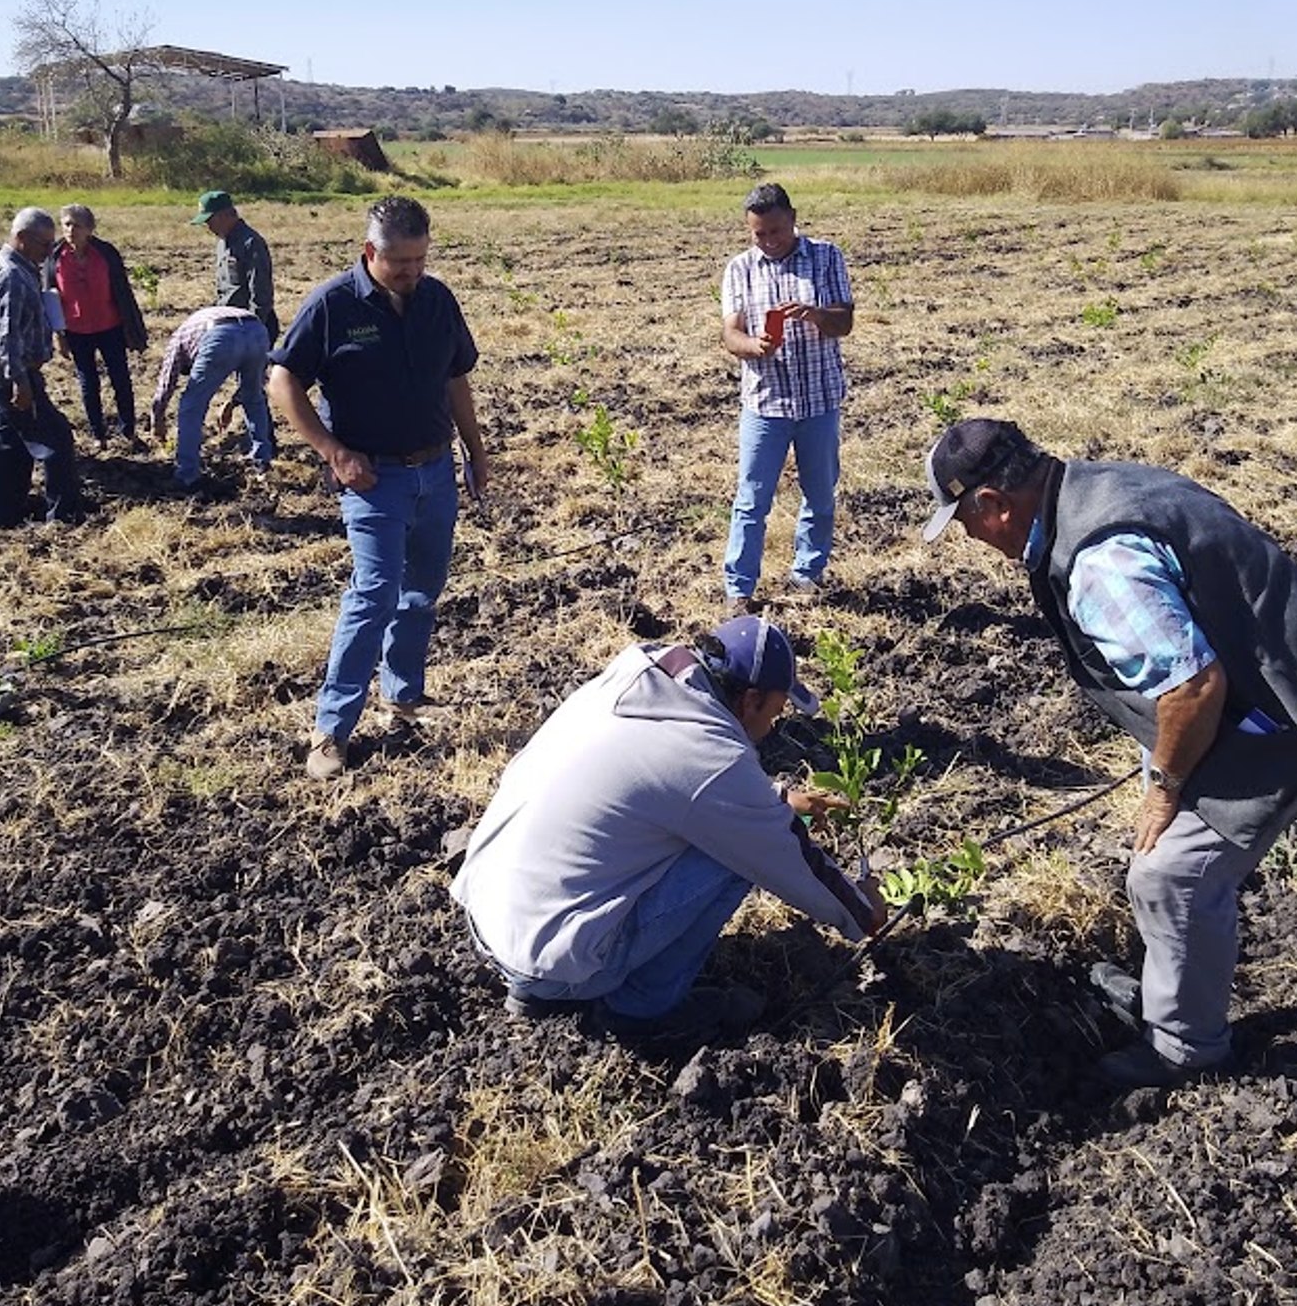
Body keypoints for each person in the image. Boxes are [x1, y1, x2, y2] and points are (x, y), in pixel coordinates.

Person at [920, 417, 1297, 1088]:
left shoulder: (1101, 566)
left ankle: (1186, 1049)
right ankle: (1170, 985)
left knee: (1170, 875)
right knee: (1163, 847)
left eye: (964, 525)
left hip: (1294, 715)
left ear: (992, 505)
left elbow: (1194, 688)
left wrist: (1165, 785)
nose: (972, 540)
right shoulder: (1100, 485)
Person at [454, 614, 884, 1042]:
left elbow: (670, 781)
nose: (772, 727)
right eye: (774, 712)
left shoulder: (638, 677)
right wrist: (862, 911)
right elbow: (781, 853)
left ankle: (545, 984)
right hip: (548, 960)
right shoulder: (711, 754)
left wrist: (778, 800)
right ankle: (640, 1011)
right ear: (751, 700)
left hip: (490, 914)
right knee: (735, 855)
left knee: (714, 829)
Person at [268, 195, 490, 781]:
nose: (412, 273)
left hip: (435, 471)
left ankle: (404, 694)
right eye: (400, 263)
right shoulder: (333, 305)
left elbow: (456, 379)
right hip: (373, 479)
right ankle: (331, 728)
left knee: (422, 591)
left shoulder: (438, 300)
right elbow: (282, 379)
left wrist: (475, 449)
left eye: (420, 260)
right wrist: (332, 451)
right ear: (371, 253)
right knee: (373, 596)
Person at [719, 182, 855, 614]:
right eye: (760, 234)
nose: (770, 241)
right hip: (765, 403)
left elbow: (844, 322)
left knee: (819, 494)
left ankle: (806, 575)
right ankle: (739, 589)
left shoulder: (827, 256)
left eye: (776, 230)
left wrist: (815, 315)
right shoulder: (740, 269)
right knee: (751, 500)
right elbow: (730, 332)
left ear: (794, 218)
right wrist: (752, 346)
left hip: (819, 401)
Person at [0, 208, 84, 527]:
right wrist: (20, 382)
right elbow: (4, 335)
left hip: (9, 371)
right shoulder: (10, 274)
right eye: (43, 245)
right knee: (56, 441)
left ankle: (0, 519)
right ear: (21, 238)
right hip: (12, 373)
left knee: (10, 448)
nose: (48, 253)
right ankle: (63, 518)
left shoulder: (21, 268)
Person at [44, 204, 148, 448]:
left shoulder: (106, 254)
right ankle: (98, 435)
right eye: (66, 224)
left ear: (90, 229)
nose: (70, 230)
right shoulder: (54, 256)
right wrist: (59, 334)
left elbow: (123, 293)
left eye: (77, 225)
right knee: (88, 383)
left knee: (120, 379)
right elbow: (50, 297)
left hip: (110, 326)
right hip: (76, 330)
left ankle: (129, 430)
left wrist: (130, 328)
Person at [149, 305, 275, 493]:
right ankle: (261, 464)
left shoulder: (178, 340)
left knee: (191, 407)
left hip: (219, 335)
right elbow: (260, 381)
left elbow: (166, 384)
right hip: (257, 330)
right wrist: (232, 404)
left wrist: (157, 419)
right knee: (254, 398)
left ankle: (187, 475)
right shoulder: (194, 328)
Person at [192, 189, 277, 344]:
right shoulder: (222, 243)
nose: (209, 227)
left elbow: (260, 290)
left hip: (250, 327)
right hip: (228, 323)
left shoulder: (251, 243)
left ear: (225, 215)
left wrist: (253, 327)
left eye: (210, 221)